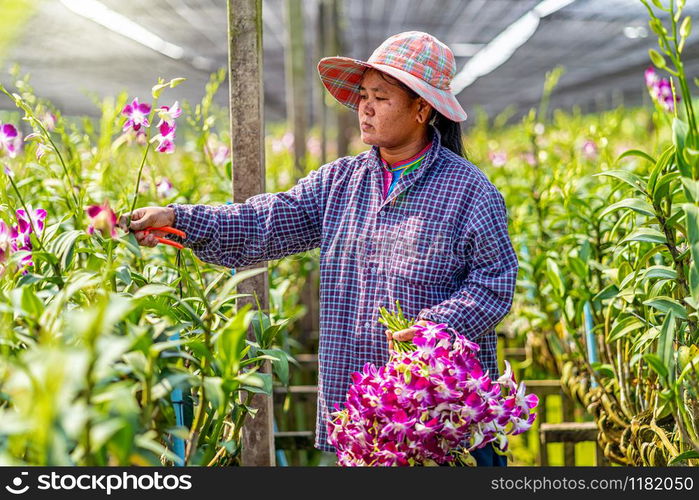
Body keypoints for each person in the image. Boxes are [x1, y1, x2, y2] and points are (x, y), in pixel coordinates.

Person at [122, 31, 518, 466]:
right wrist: (180, 220)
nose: (364, 108)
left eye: (381, 98)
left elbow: (494, 281)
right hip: (365, 422)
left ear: (422, 108)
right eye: (363, 95)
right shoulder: (340, 183)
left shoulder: (469, 191)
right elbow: (263, 222)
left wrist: (437, 327)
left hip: (441, 423)